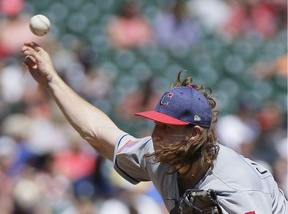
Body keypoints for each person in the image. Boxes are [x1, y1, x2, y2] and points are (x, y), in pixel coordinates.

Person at [22, 42, 287, 213]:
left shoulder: (238, 189)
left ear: (194, 135)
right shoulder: (159, 155)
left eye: (167, 127)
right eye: (156, 124)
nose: (155, 134)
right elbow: (97, 133)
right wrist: (51, 79)